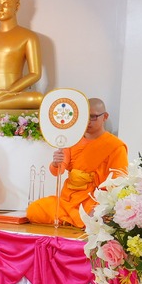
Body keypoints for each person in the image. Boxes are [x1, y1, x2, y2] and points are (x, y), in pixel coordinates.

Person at [25, 98, 128, 228]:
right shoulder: (72, 140)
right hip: (67, 200)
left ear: (105, 117)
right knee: (34, 209)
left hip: (93, 200)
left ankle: (75, 220)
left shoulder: (114, 146)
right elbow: (58, 171)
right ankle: (75, 220)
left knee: (100, 216)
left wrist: (102, 205)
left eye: (93, 117)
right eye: (85, 117)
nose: (88, 122)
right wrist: (56, 163)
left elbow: (118, 181)